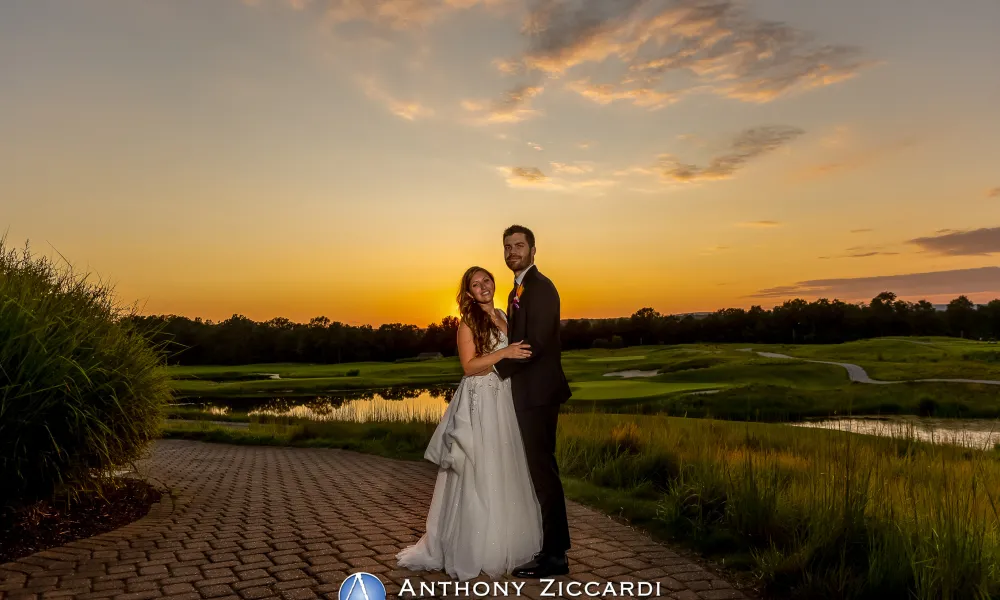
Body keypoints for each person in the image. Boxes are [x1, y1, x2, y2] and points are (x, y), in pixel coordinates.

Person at [395, 266, 543, 581]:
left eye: (486, 280)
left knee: (505, 465)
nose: (483, 286)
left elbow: (518, 354)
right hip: (481, 400)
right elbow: (469, 366)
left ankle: (508, 540)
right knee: (480, 467)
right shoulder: (467, 323)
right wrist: (505, 352)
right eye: (475, 284)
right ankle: (474, 546)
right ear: (470, 293)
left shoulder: (505, 313)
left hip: (504, 397)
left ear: (493, 282)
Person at [493, 224, 572, 578]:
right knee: (537, 471)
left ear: (533, 249)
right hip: (527, 392)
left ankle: (554, 557)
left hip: (539, 393)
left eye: (519, 245)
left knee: (543, 472)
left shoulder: (542, 288)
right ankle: (547, 547)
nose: (513, 251)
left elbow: (535, 343)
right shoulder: (518, 290)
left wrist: (493, 372)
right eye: (508, 246)